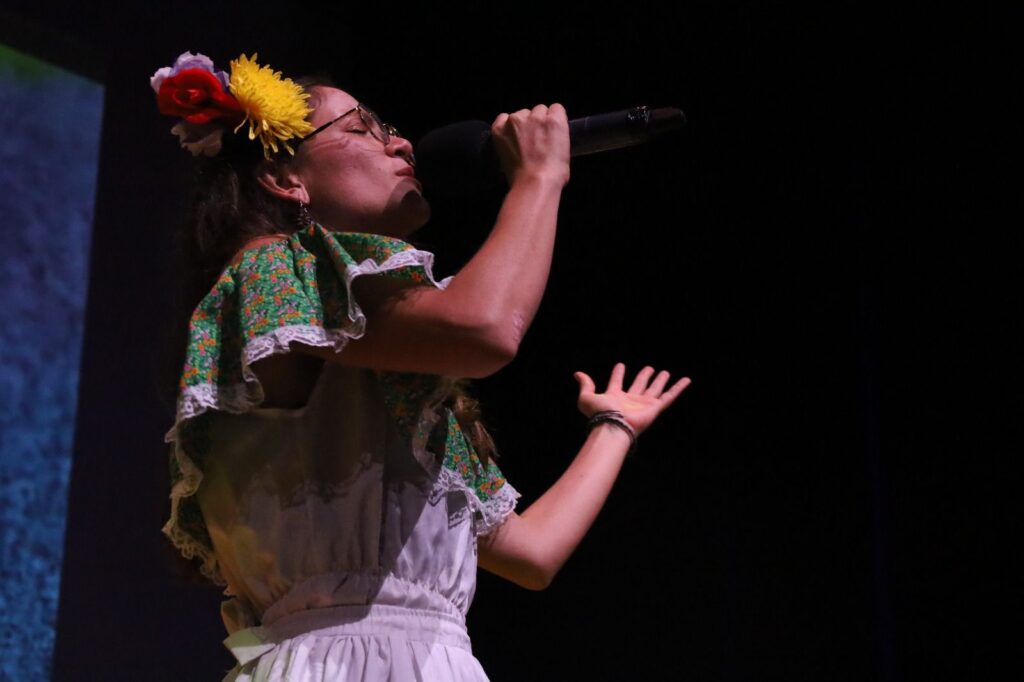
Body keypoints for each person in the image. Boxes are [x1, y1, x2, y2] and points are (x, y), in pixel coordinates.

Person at [154, 51, 691, 681]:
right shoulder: (272, 274)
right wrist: (539, 179)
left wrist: (614, 427)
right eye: (363, 129)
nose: (401, 143)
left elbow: (531, 554)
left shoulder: (391, 386)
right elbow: (487, 330)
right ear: (284, 178)